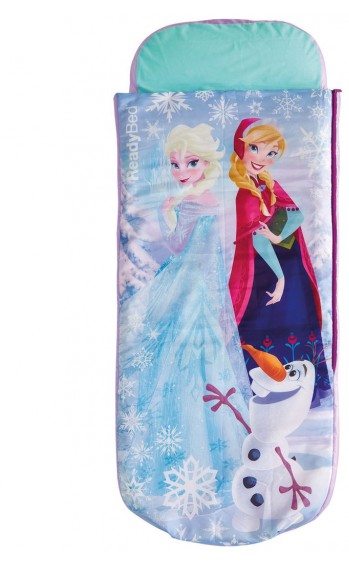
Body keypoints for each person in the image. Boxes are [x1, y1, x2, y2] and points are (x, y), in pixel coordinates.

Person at [118, 124, 251, 520]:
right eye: (174, 164)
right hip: (200, 287)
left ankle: (180, 456)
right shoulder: (211, 200)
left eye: (190, 162)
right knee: (201, 362)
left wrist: (166, 213)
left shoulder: (192, 203)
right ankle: (215, 456)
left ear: (206, 163)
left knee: (176, 361)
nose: (181, 171)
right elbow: (213, 254)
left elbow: (177, 246)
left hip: (186, 286)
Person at [228, 118, 330, 406]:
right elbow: (257, 241)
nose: (263, 158)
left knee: (294, 321)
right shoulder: (246, 195)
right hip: (266, 270)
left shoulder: (266, 183)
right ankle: (271, 392)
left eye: (271, 152)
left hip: (287, 264)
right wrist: (280, 276)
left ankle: (298, 387)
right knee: (267, 325)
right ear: (241, 148)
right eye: (255, 148)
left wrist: (277, 235)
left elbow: (297, 215)